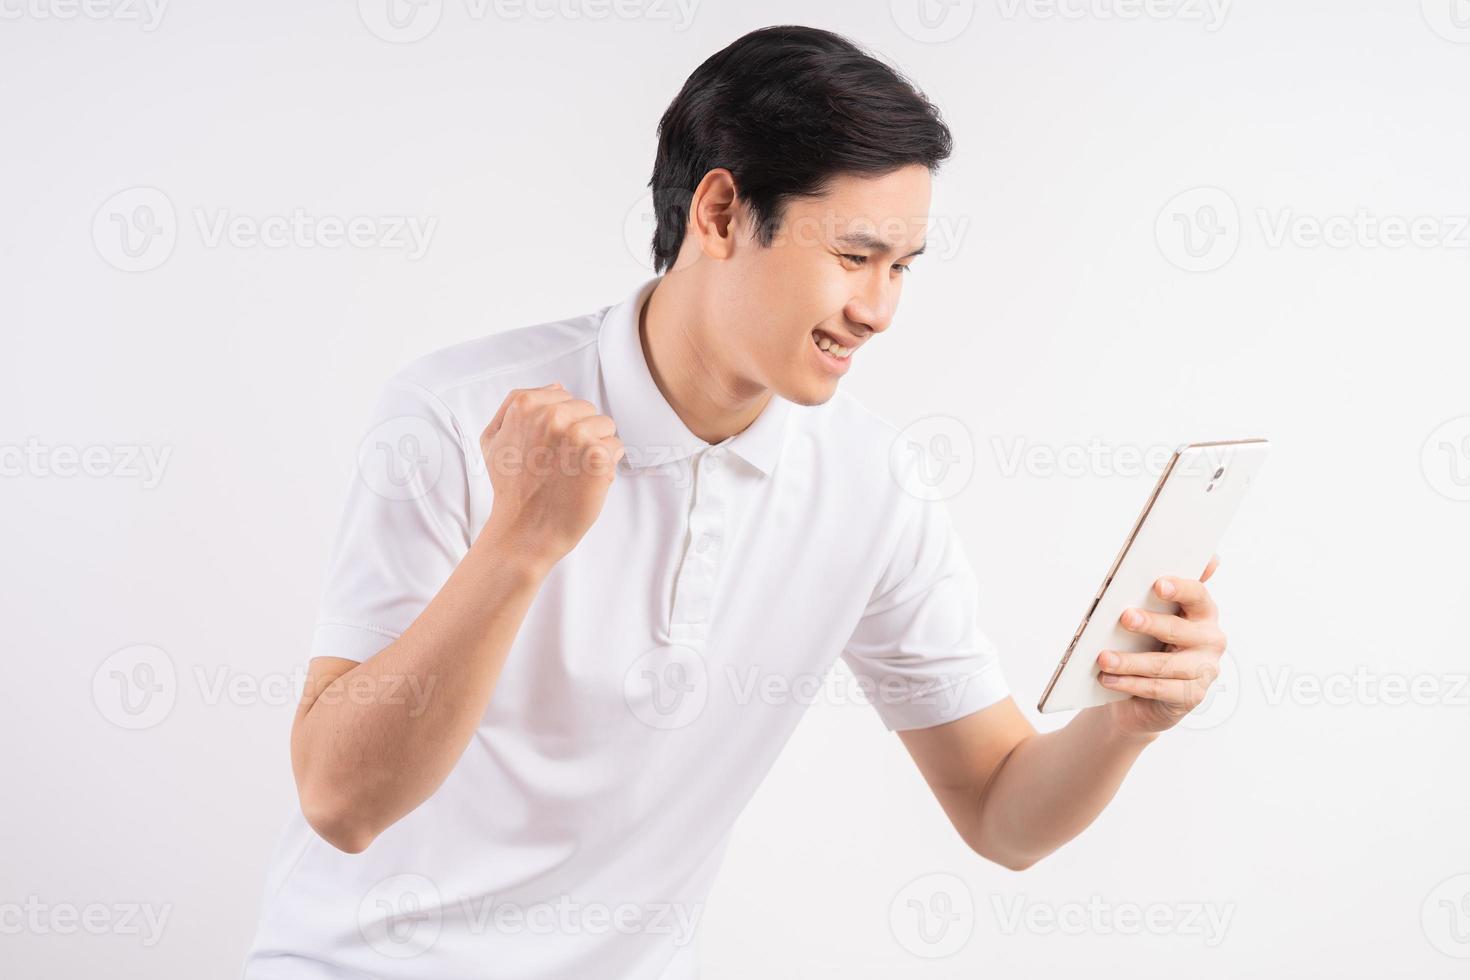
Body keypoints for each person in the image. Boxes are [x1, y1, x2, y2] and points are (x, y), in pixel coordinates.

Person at [243, 24, 1229, 980]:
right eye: (853, 256)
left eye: (902, 268)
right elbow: (342, 799)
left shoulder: (872, 485)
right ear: (718, 214)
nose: (879, 310)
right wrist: (519, 543)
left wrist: (1123, 722)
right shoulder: (456, 413)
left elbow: (1002, 812)